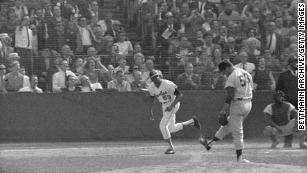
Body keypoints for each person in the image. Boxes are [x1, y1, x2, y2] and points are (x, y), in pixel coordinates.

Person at [200, 60, 253, 163]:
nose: (224, 73)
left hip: (238, 105)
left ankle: (239, 158)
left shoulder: (232, 77)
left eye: (223, 71)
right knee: (230, 124)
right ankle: (210, 144)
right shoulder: (245, 72)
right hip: (249, 103)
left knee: (237, 132)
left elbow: (230, 96)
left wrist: (223, 110)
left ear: (227, 67)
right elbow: (252, 88)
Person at [147, 70, 201, 154]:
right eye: (153, 77)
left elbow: (179, 95)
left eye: (157, 76)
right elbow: (151, 98)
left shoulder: (167, 84)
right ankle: (192, 121)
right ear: (151, 79)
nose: (156, 78)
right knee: (171, 129)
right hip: (164, 105)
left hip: (173, 103)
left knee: (162, 126)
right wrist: (150, 110)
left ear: (160, 76)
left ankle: (170, 148)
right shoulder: (151, 87)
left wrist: (171, 106)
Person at [275, 55, 300, 148]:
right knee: (288, 122)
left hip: (302, 101)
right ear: (289, 64)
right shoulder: (283, 75)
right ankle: (288, 141)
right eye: (294, 62)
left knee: (304, 121)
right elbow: (278, 89)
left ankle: (303, 141)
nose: (296, 64)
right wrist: (282, 100)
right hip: (288, 102)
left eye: (297, 62)